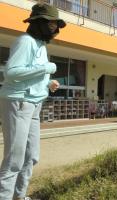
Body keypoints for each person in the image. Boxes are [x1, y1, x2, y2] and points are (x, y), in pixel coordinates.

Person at [0, 3, 66, 200]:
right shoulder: (25, 41)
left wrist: (48, 83)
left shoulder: (40, 45)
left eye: (56, 24)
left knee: (31, 157)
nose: (54, 27)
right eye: (50, 23)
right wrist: (46, 69)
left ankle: (19, 196)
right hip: (18, 101)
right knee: (14, 159)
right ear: (38, 22)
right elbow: (11, 73)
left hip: (35, 104)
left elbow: (32, 73)